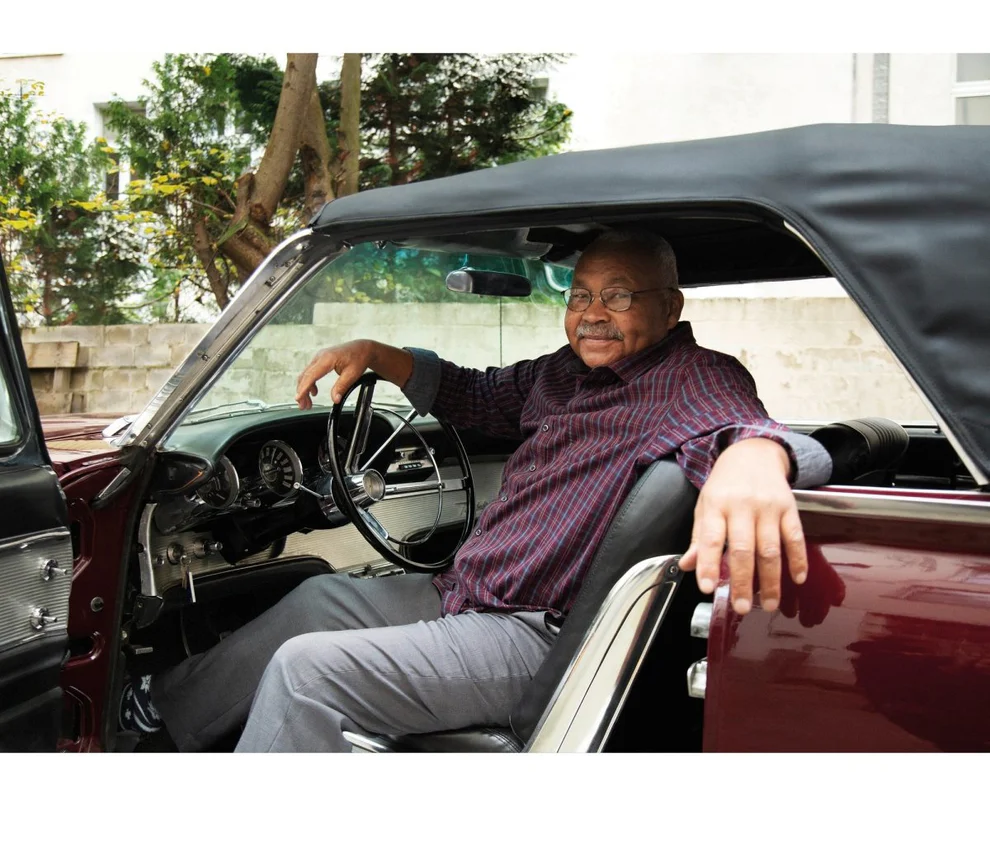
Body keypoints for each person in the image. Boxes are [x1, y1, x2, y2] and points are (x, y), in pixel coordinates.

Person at [121, 229, 831, 751]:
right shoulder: (563, 373)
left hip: (533, 635)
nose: (592, 312)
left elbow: (746, 427)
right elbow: (478, 395)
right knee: (317, 599)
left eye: (618, 295)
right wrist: (379, 357)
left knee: (308, 674)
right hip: (462, 594)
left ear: (670, 307)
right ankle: (159, 713)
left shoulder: (692, 377)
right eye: (579, 295)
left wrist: (755, 459)